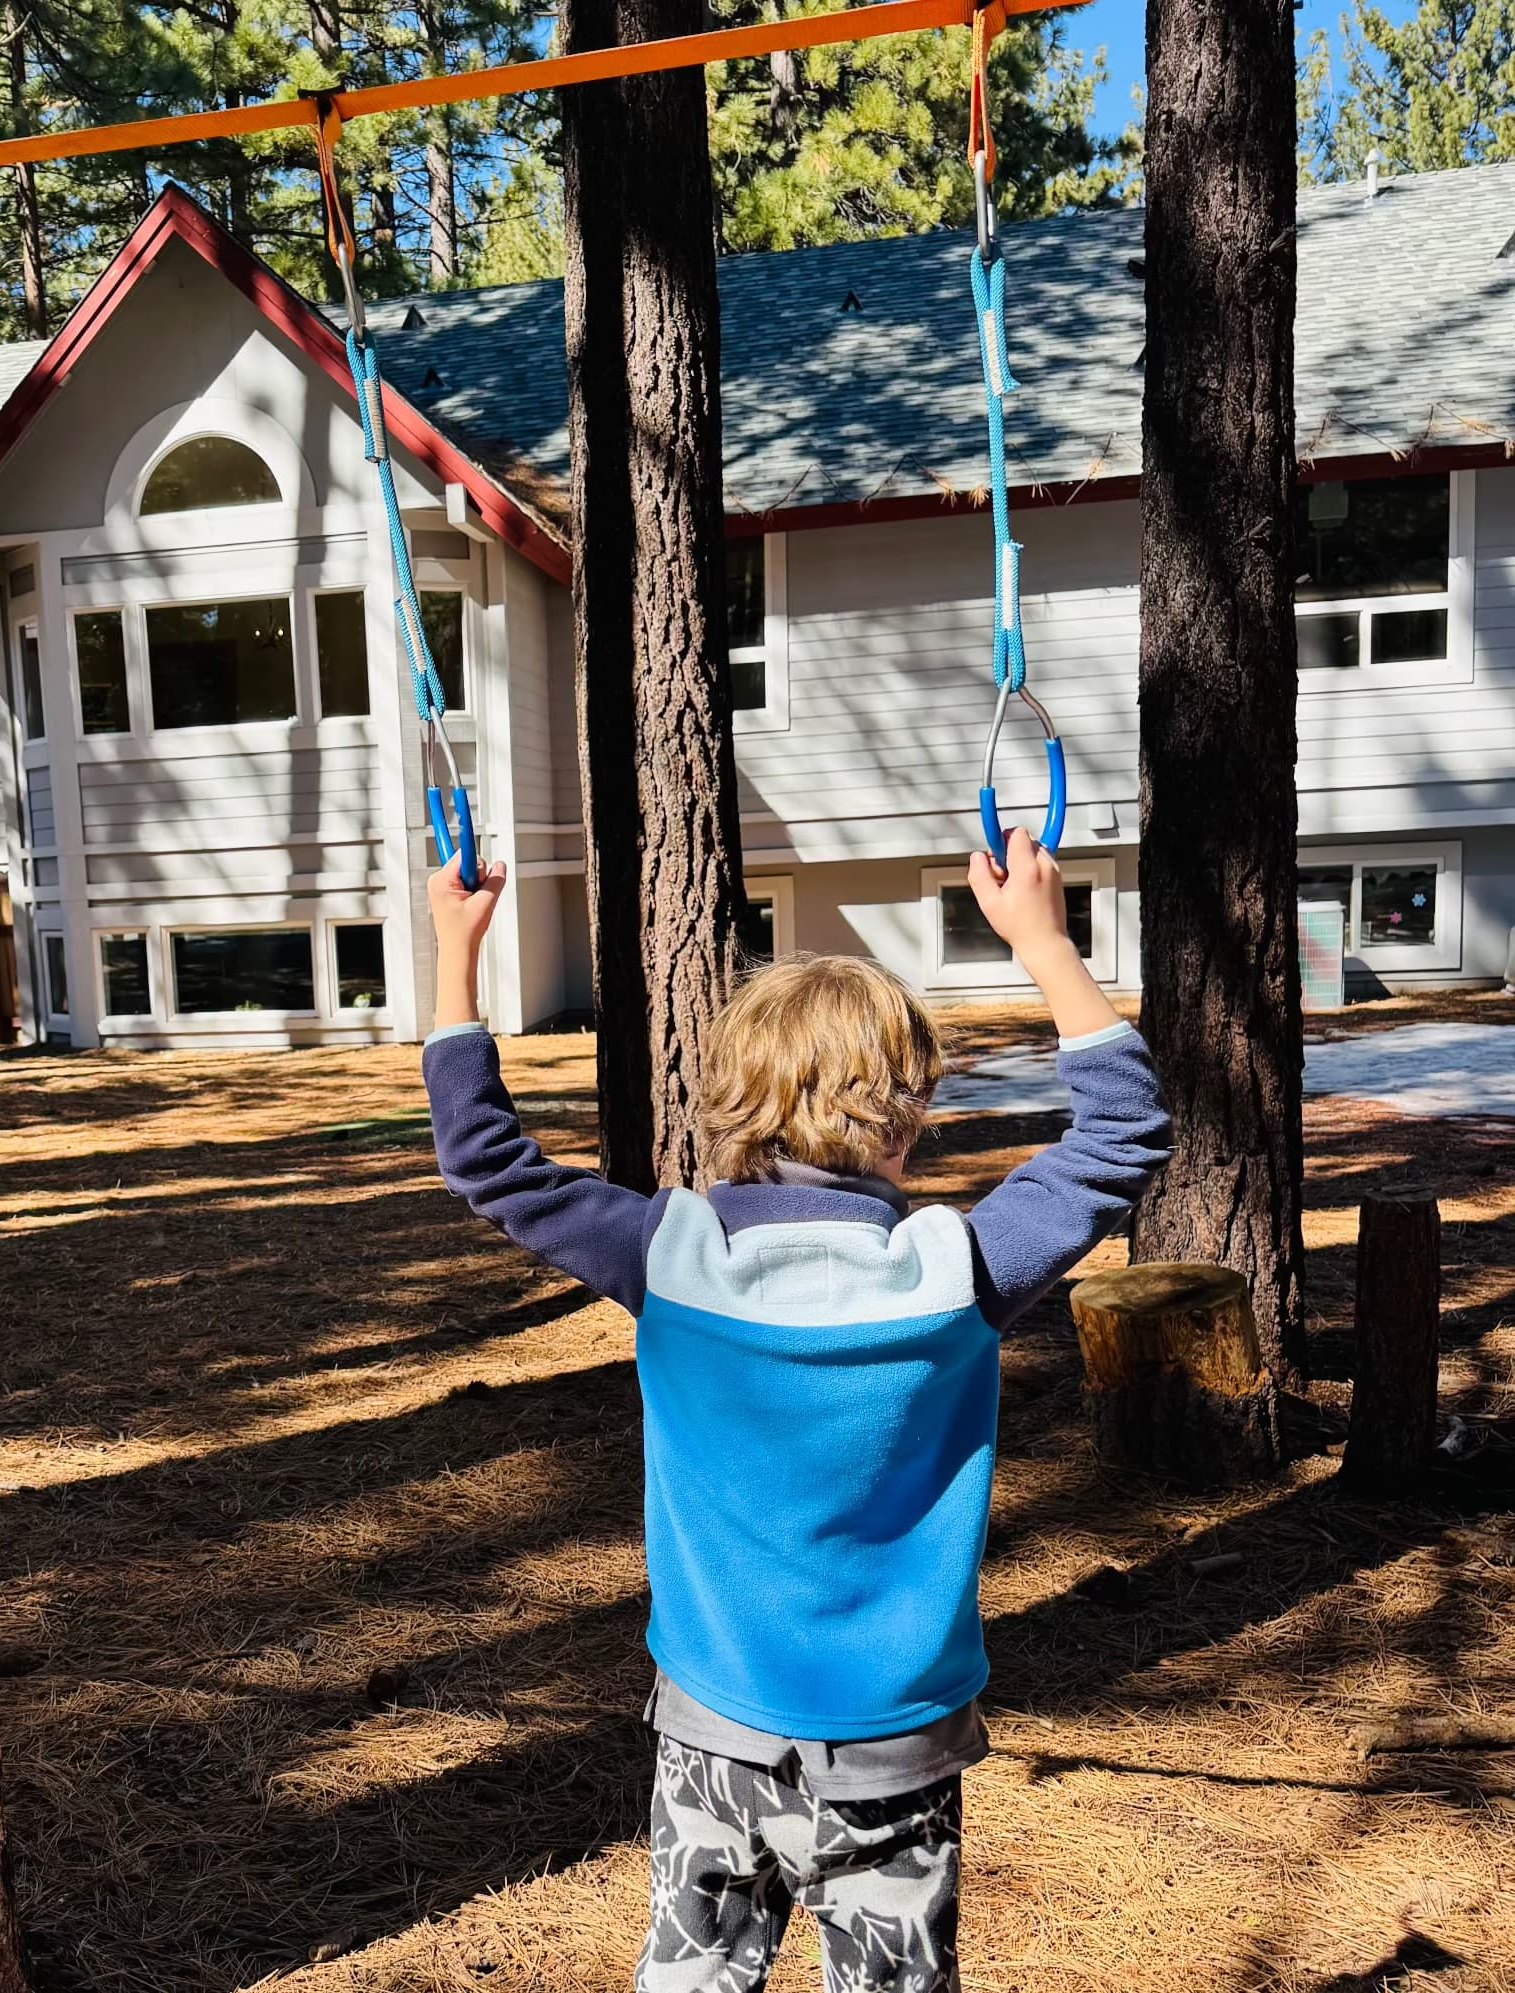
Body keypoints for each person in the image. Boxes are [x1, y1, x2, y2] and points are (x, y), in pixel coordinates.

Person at [421, 829, 1171, 1993]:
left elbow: (485, 1159)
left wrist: (455, 955)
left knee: (692, 1978)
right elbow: (1121, 1134)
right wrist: (1042, 940)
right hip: (893, 1744)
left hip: (710, 1725)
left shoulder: (668, 1254)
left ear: (726, 1098)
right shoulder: (956, 1269)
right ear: (906, 1113)